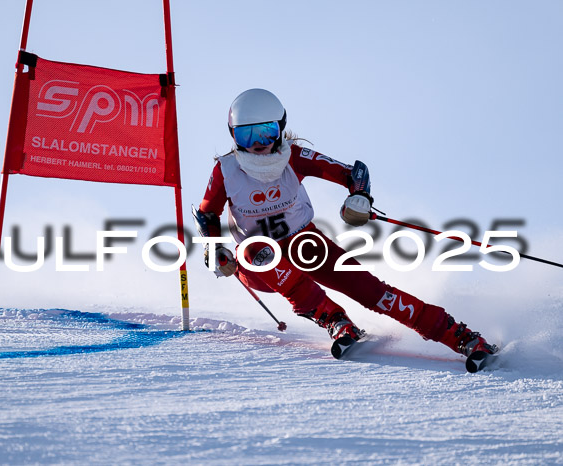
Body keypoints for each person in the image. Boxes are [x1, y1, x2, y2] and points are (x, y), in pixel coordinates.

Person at [193, 88, 497, 360]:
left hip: (305, 243)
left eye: (267, 133)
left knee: (371, 292)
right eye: (247, 136)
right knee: (256, 249)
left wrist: (359, 197)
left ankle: (460, 337)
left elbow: (354, 173)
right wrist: (214, 249)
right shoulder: (226, 171)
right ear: (233, 136)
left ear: (280, 129)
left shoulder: (295, 158)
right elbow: (207, 214)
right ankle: (335, 320)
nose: (259, 144)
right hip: (260, 266)